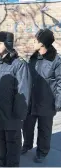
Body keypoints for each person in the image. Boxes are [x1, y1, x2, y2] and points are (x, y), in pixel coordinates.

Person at [0, 31, 31, 167]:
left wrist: (18, 114)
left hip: (12, 113)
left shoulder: (19, 64)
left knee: (12, 143)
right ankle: (2, 163)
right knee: (1, 141)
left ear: (8, 43)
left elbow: (23, 90)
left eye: (0, 42)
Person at [22, 28, 61, 163]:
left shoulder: (56, 60)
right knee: (27, 126)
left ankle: (42, 152)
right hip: (31, 101)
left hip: (47, 102)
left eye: (36, 40)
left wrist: (57, 103)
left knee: (44, 130)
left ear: (43, 42)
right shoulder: (33, 58)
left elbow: (60, 82)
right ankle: (26, 145)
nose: (34, 42)